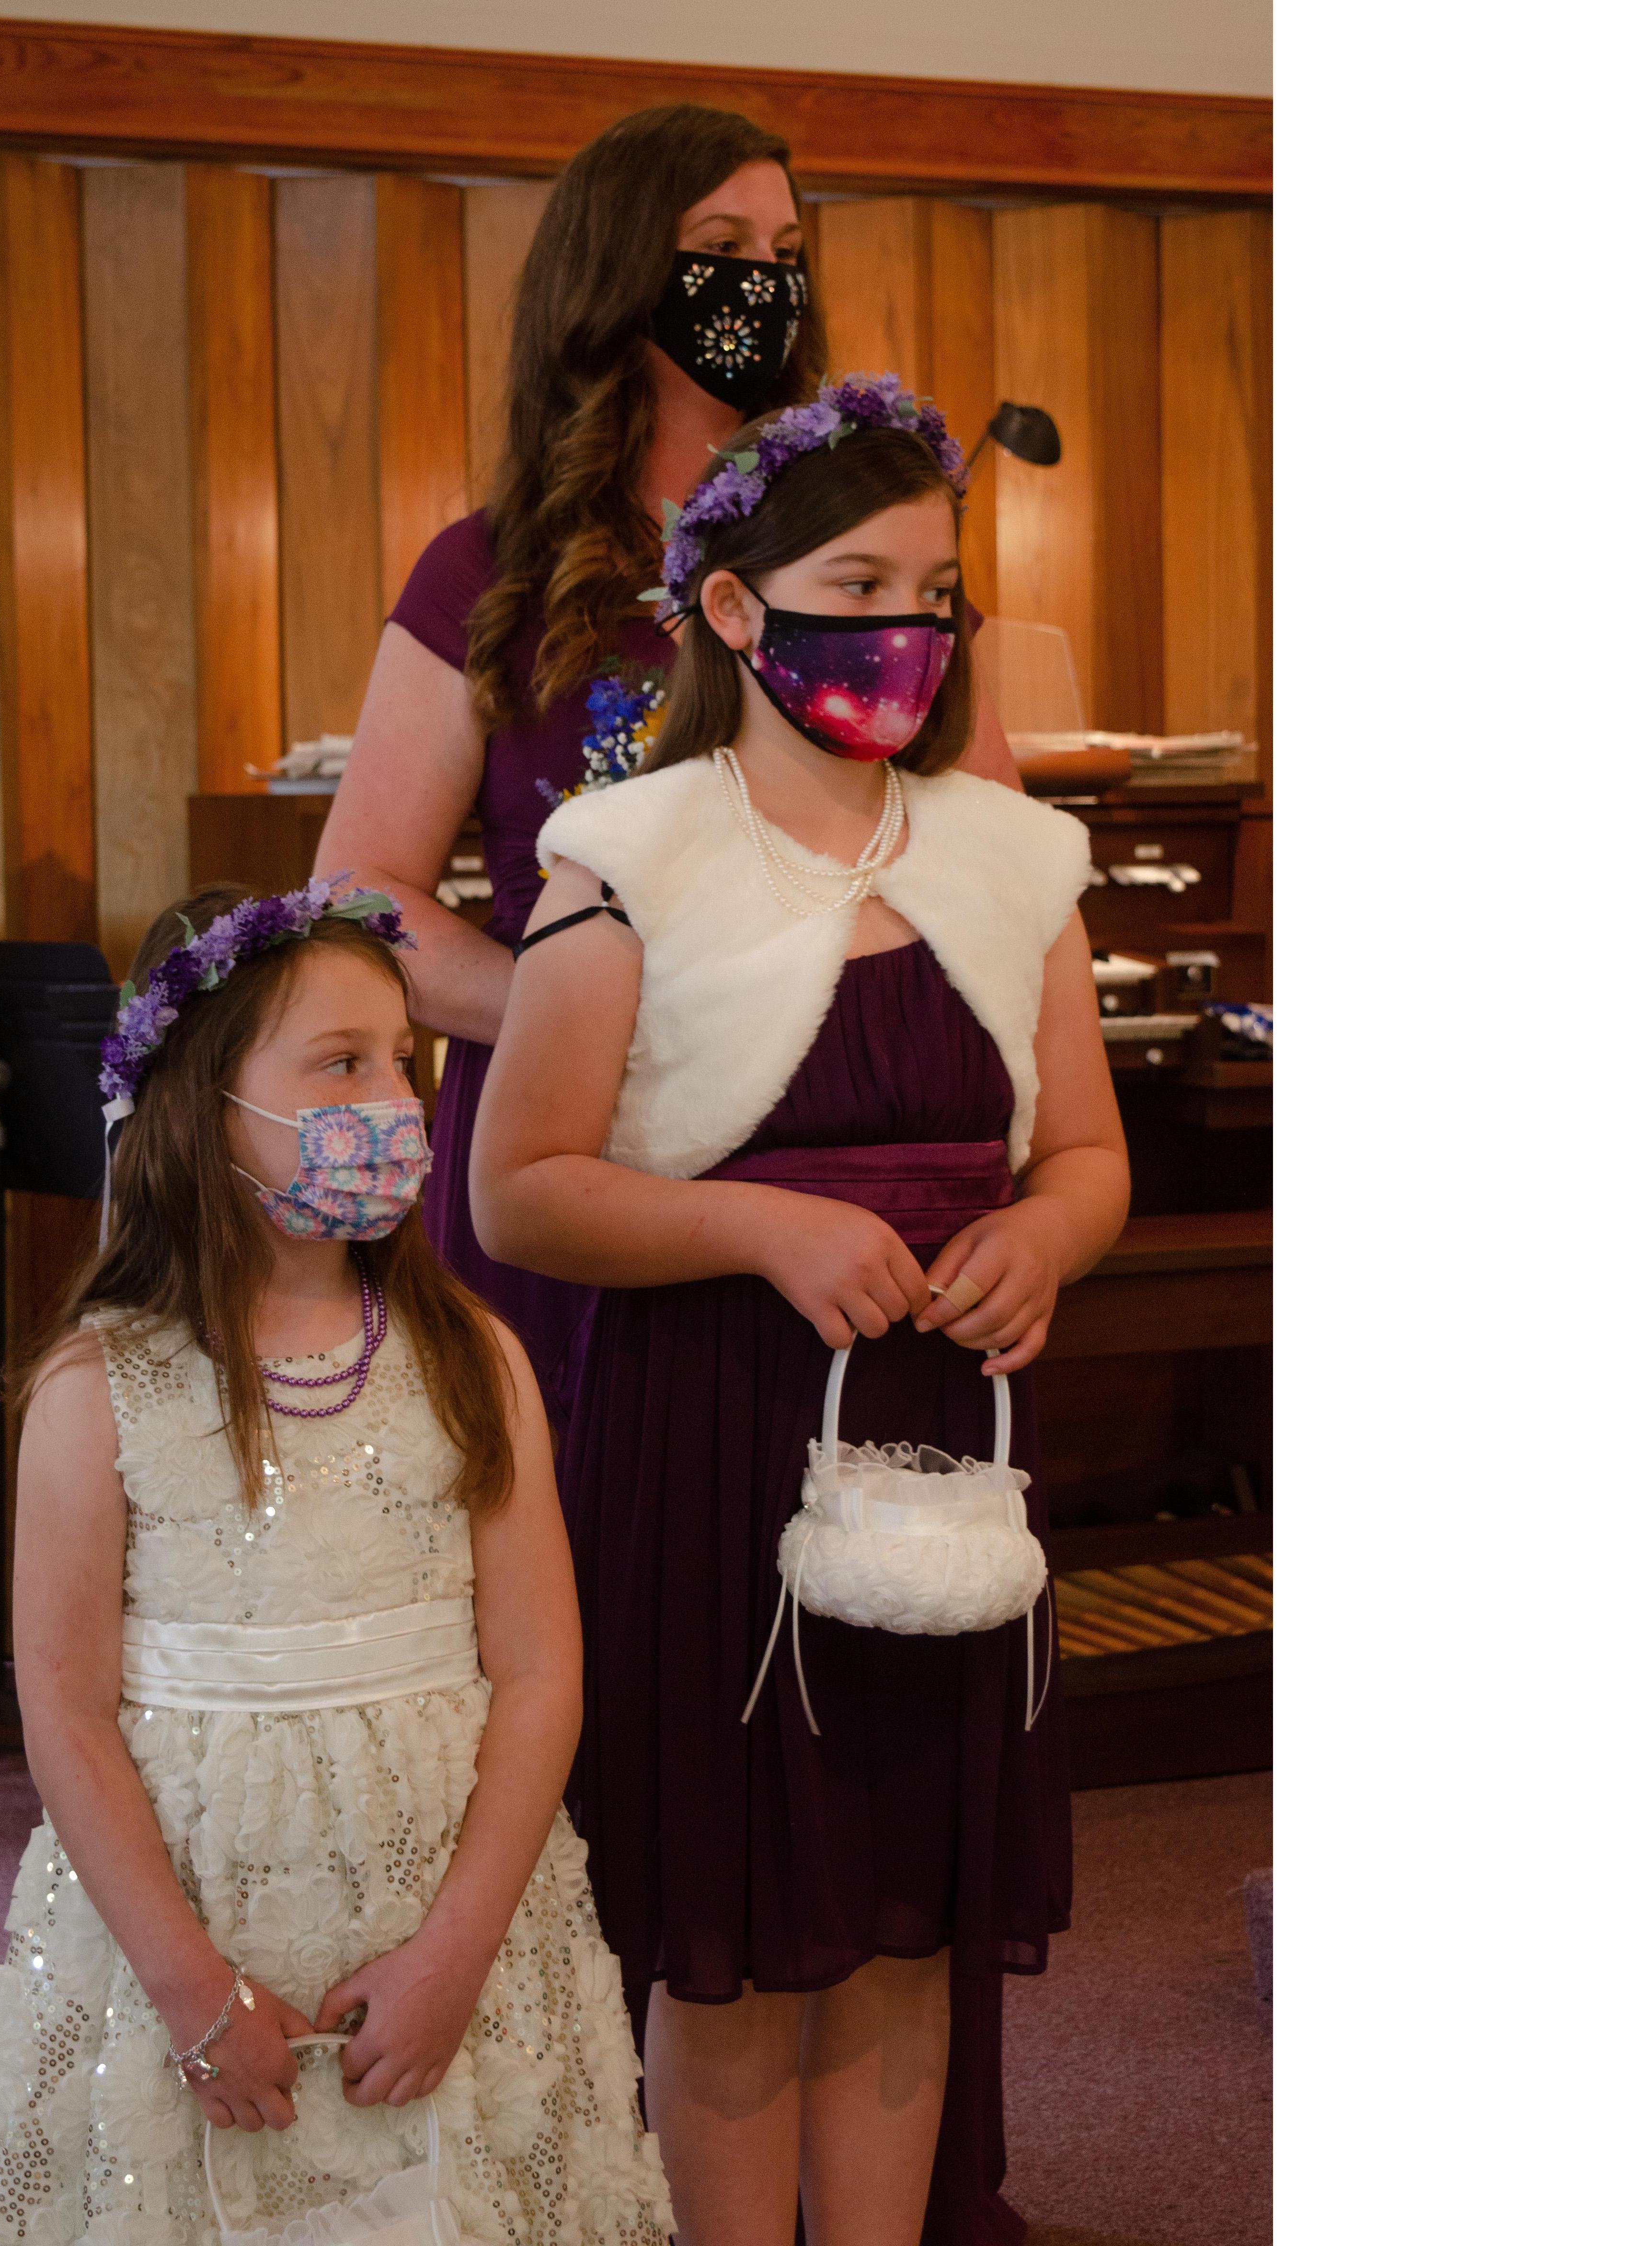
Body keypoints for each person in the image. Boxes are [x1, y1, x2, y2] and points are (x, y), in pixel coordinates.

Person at [469, 381, 1130, 2246]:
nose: (909, 632)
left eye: (935, 590)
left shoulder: (1009, 860)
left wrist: (1048, 1239)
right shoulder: (633, 849)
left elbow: (1079, 1149)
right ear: (741, 609)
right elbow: (518, 1184)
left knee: (906, 1921)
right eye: (860, 583)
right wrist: (761, 1226)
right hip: (717, 1436)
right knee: (743, 1944)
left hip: (942, 1446)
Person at [0, 881, 670, 2246]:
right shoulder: (100, 1392)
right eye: (340, 1065)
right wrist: (189, 1991)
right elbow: (67, 1710)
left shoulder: (471, 1358)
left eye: (403, 1062)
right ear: (200, 1102)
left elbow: (539, 1670)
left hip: (448, 1916)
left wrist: (455, 1958)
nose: (393, 1104)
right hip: (193, 1929)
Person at [314, 103, 1023, 1430]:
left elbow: (993, 853)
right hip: (577, 1150)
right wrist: (568, 1015)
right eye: (719, 244)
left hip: (830, 1129)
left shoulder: (866, 562)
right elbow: (360, 891)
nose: (763, 279)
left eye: (785, 248)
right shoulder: (490, 569)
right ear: (622, 275)